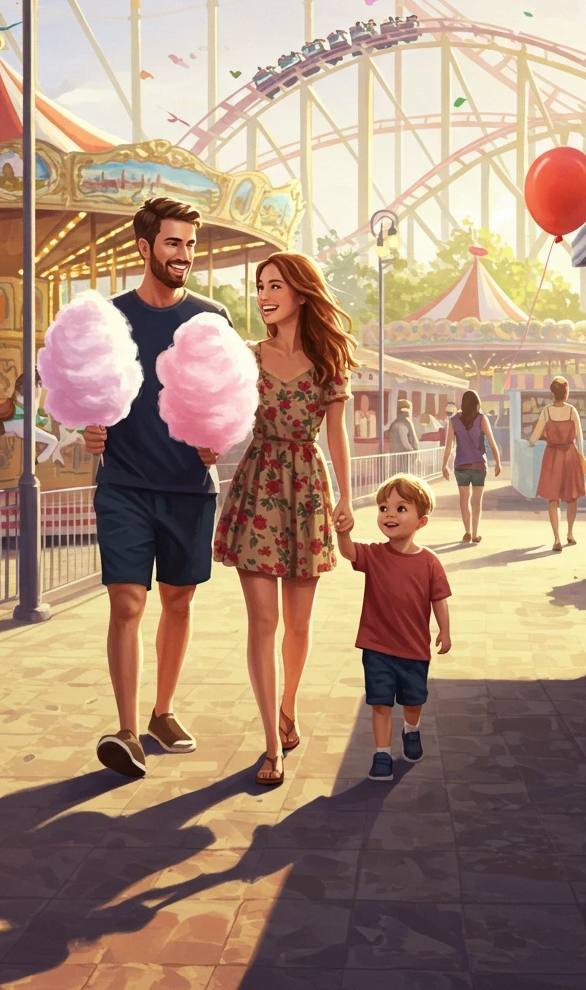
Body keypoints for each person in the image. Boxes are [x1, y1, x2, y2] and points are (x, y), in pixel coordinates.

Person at [83, 197, 230, 780]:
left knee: (178, 599)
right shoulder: (108, 318)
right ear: (144, 248)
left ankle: (162, 712)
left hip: (189, 486)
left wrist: (221, 440)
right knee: (127, 601)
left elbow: (230, 401)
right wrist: (87, 428)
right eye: (173, 244)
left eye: (191, 245)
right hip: (122, 482)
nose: (184, 256)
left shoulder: (211, 318)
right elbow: (85, 393)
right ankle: (125, 731)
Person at [214, 252, 356, 786]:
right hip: (258, 486)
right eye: (260, 286)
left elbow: (336, 435)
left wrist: (346, 498)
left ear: (300, 293)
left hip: (307, 489)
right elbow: (223, 417)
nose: (265, 294)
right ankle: (271, 742)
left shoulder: (328, 364)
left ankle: (288, 706)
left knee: (298, 624)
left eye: (276, 285)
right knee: (264, 622)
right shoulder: (246, 358)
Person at [336, 474, 451, 782]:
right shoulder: (373, 554)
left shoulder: (429, 562)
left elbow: (439, 599)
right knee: (380, 702)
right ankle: (382, 753)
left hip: (414, 649)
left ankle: (411, 730)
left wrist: (445, 630)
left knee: (413, 701)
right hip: (376, 647)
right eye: (384, 507)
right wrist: (343, 533)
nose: (389, 514)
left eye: (401, 509)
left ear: (421, 521)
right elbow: (349, 552)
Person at [529, 375, 586, 551]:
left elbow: (536, 434)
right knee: (572, 497)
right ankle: (570, 533)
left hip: (552, 456)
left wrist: (531, 442)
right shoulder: (572, 411)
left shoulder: (546, 411)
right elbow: (580, 437)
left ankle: (557, 539)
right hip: (570, 455)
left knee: (553, 498)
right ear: (566, 392)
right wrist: (581, 455)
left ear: (552, 393)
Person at [441, 389, 501, 544]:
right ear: (477, 403)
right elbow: (492, 442)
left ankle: (467, 532)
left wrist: (444, 465)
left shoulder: (454, 420)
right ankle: (475, 534)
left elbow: (449, 445)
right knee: (477, 501)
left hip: (461, 465)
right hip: (479, 465)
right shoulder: (481, 419)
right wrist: (498, 462)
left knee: (464, 500)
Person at [387, 398, 418, 469]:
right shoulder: (402, 426)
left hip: (395, 454)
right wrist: (413, 452)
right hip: (401, 457)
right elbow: (405, 444)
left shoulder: (394, 424)